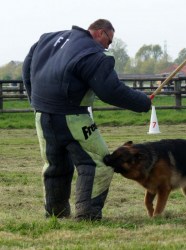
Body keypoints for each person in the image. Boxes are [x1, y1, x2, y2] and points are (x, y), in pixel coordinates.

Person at [22, 19, 151, 221]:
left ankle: (56, 213)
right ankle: (87, 213)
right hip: (73, 117)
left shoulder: (48, 39)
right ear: (100, 33)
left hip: (42, 116)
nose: (109, 46)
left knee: (55, 165)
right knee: (99, 163)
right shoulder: (93, 53)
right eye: (109, 40)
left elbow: (27, 66)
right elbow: (110, 91)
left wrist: (34, 100)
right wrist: (142, 102)